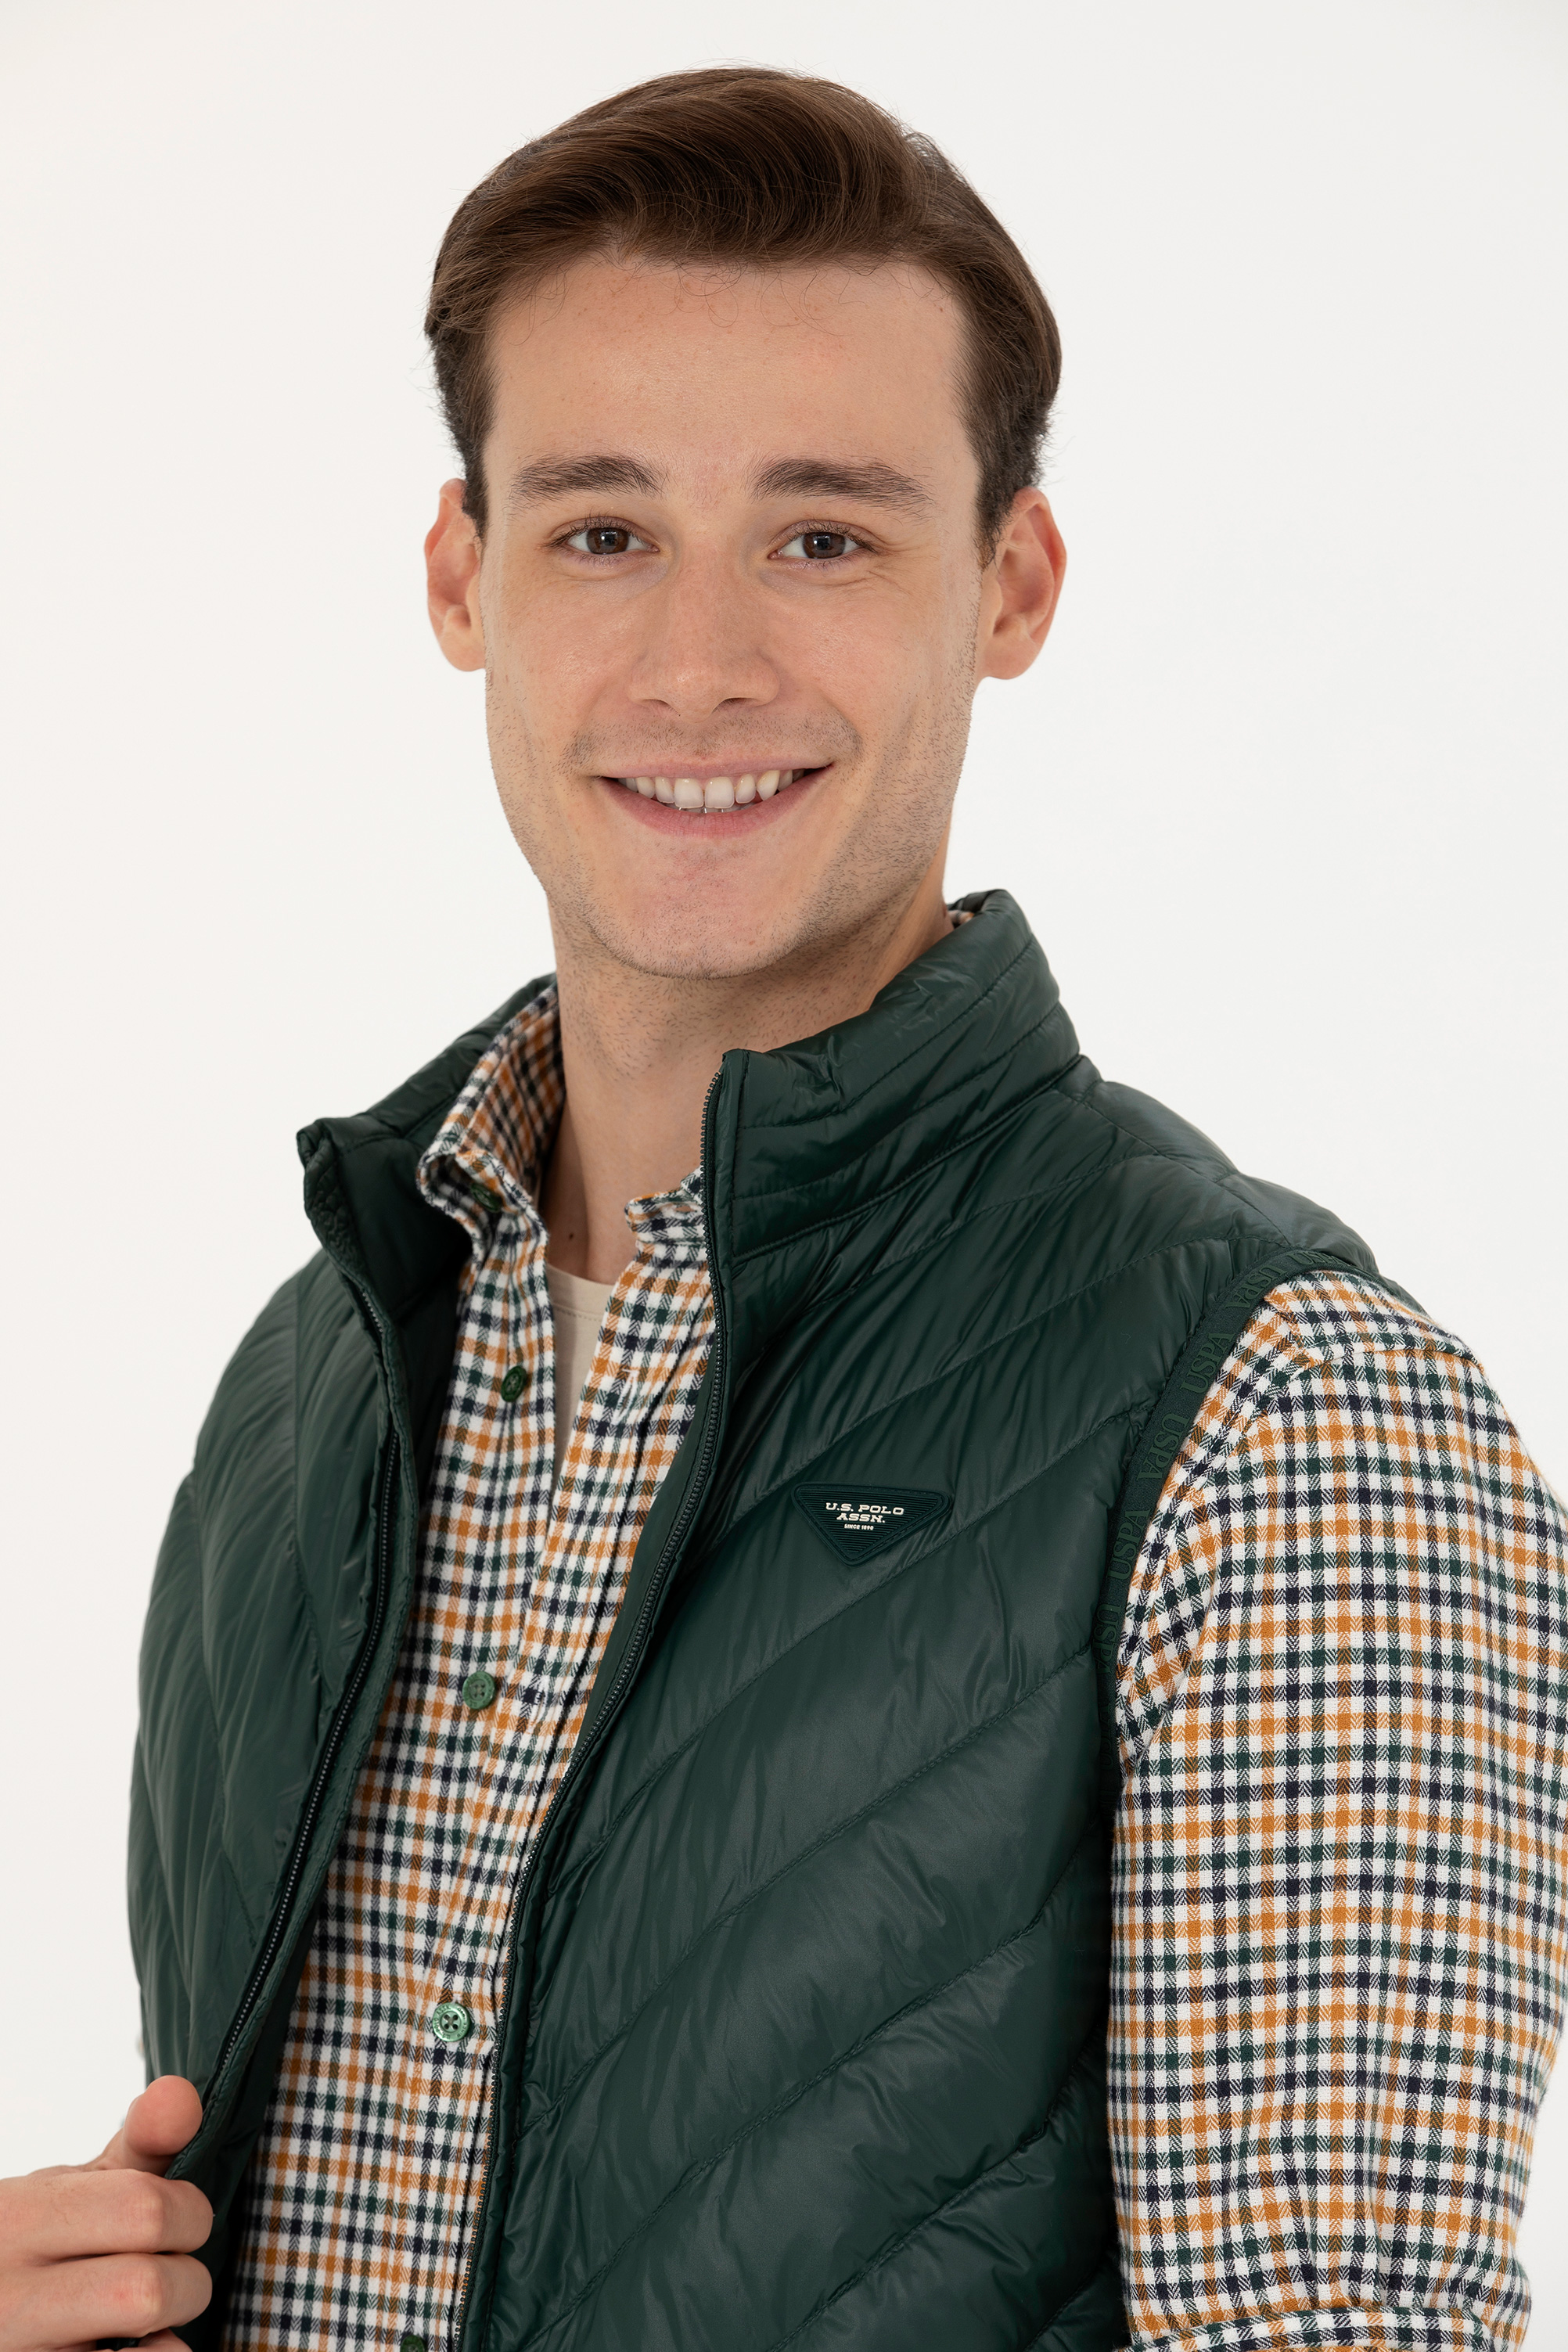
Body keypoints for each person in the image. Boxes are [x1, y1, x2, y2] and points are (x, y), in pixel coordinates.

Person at [2, 65, 1563, 2352]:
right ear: (461, 577)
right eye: (602, 532)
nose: (701, 665)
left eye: (823, 536)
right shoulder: (316, 1375)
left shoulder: (1283, 1419)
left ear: (1010, 583)